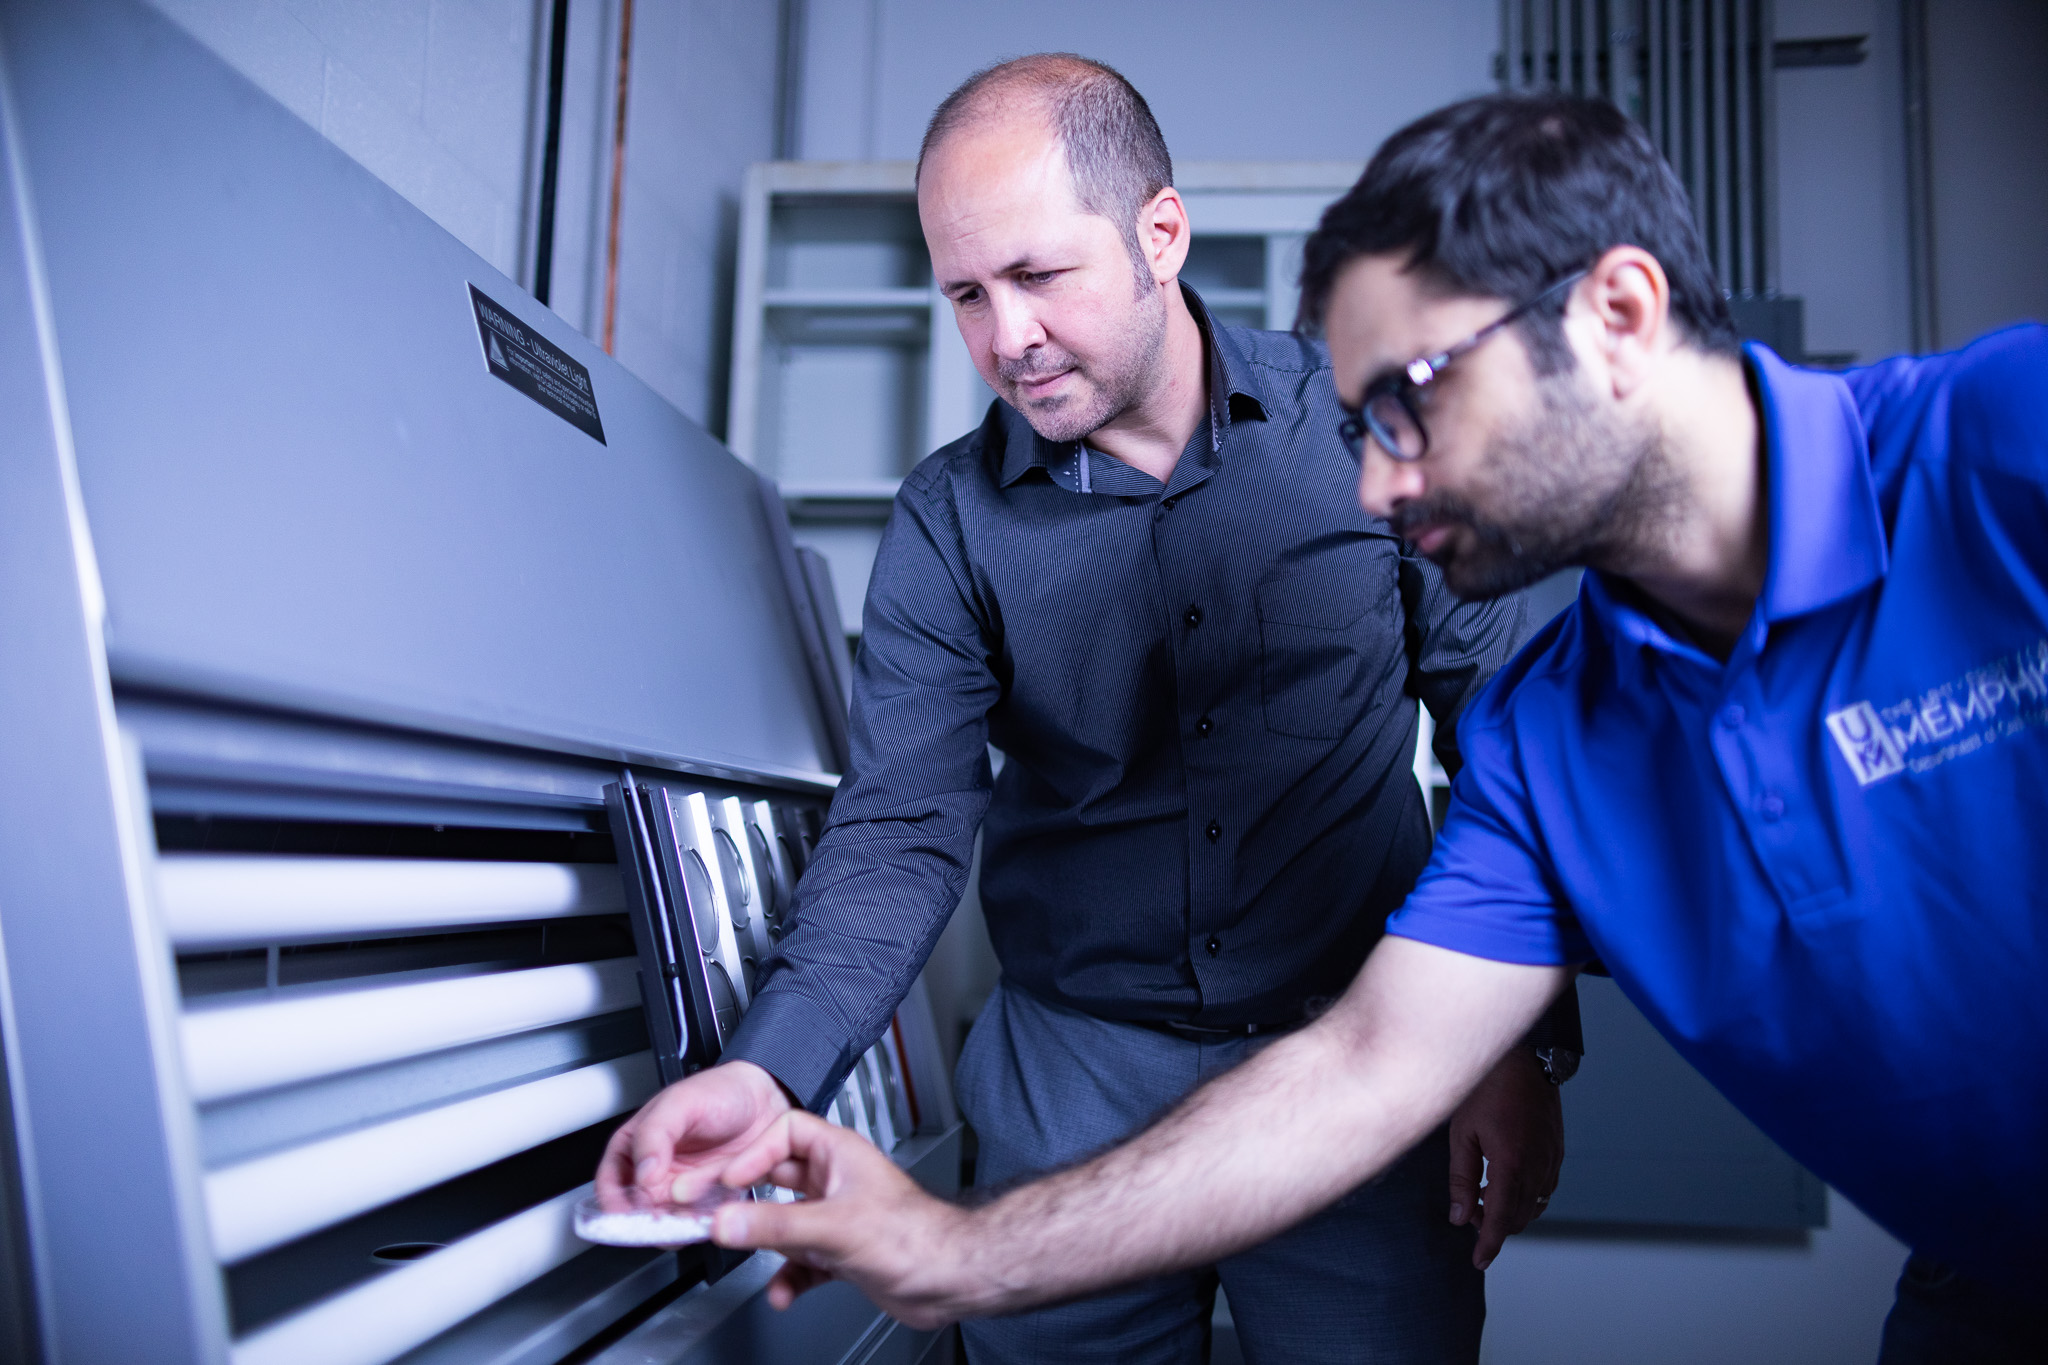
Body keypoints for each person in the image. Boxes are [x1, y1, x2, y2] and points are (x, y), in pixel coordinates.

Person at [700, 92, 2048, 1363]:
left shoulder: (2004, 441)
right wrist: (922, 1217)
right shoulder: (1556, 751)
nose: (1378, 482)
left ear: (1619, 314)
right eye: (966, 296)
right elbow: (1372, 1062)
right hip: (1977, 1272)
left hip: (1337, 1001)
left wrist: (1511, 1051)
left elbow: (1372, 1036)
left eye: (1410, 400)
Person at [598, 55, 1582, 1365]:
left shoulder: (1370, 432)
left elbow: (1509, 740)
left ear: (1157, 235)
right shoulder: (949, 525)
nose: (1005, 336)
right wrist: (767, 1070)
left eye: (1039, 275)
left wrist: (1513, 1044)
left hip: (1363, 1059)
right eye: (965, 293)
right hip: (1069, 1083)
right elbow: (902, 829)